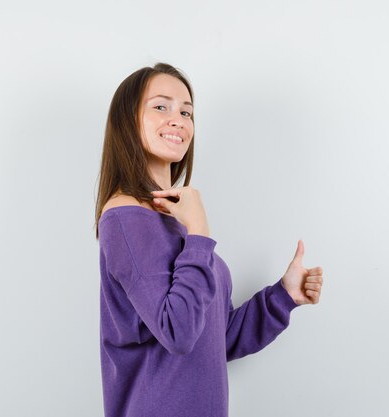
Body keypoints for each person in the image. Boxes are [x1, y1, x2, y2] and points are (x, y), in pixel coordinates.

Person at [93, 62, 324, 417]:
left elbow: (215, 338)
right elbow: (179, 333)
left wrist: (283, 296)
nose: (179, 120)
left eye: (187, 112)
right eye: (161, 106)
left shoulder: (173, 219)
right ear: (127, 120)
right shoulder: (126, 218)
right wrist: (199, 232)